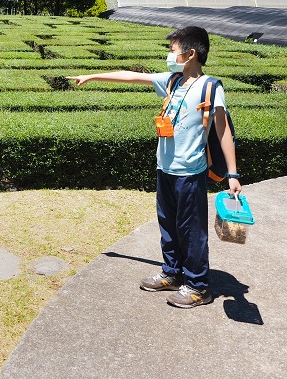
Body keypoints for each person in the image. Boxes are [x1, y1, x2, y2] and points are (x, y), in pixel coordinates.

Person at [67, 26, 241, 308]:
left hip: (190, 171)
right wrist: (92, 75)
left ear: (191, 53)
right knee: (168, 224)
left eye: (173, 50)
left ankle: (198, 286)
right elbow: (131, 76)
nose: (169, 55)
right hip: (165, 168)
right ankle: (172, 273)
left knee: (191, 229)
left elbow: (223, 132)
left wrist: (232, 173)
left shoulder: (210, 87)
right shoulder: (172, 81)